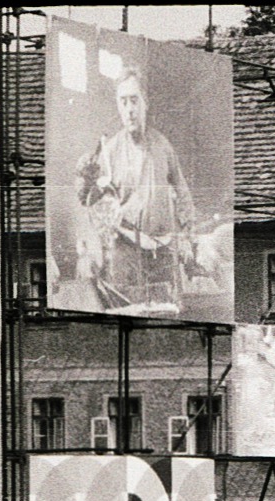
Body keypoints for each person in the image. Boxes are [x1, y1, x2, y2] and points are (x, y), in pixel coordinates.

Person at [75, 67, 199, 315]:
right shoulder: (109, 152)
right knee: (130, 316)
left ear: (145, 103)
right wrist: (85, 178)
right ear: (118, 106)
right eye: (123, 102)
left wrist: (188, 235)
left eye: (134, 100)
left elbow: (182, 192)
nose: (129, 109)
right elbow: (87, 201)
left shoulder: (163, 146)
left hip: (163, 250)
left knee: (168, 314)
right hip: (127, 253)